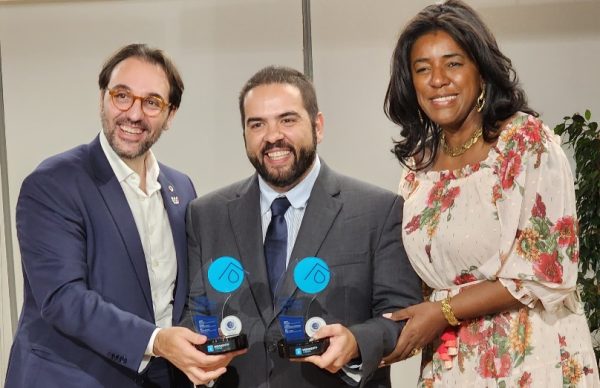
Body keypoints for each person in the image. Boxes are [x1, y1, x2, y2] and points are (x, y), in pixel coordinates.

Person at [381, 0, 600, 386]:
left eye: (453, 63)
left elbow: (546, 271)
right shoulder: (419, 165)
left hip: (530, 360)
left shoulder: (526, 143)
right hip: (450, 363)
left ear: (481, 72)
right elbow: (417, 278)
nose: (438, 79)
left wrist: (443, 311)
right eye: (422, 69)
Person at [4, 43, 239, 388]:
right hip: (72, 378)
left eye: (152, 102)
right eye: (122, 96)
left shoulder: (180, 187)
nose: (134, 114)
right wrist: (156, 341)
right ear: (103, 98)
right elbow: (63, 299)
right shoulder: (53, 183)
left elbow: (184, 292)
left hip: (162, 376)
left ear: (170, 114)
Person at [183, 66, 422, 387]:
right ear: (244, 134)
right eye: (257, 124)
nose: (272, 136)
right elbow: (193, 312)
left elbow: (402, 316)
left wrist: (355, 341)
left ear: (318, 126)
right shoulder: (206, 214)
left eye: (287, 119)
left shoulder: (377, 211)